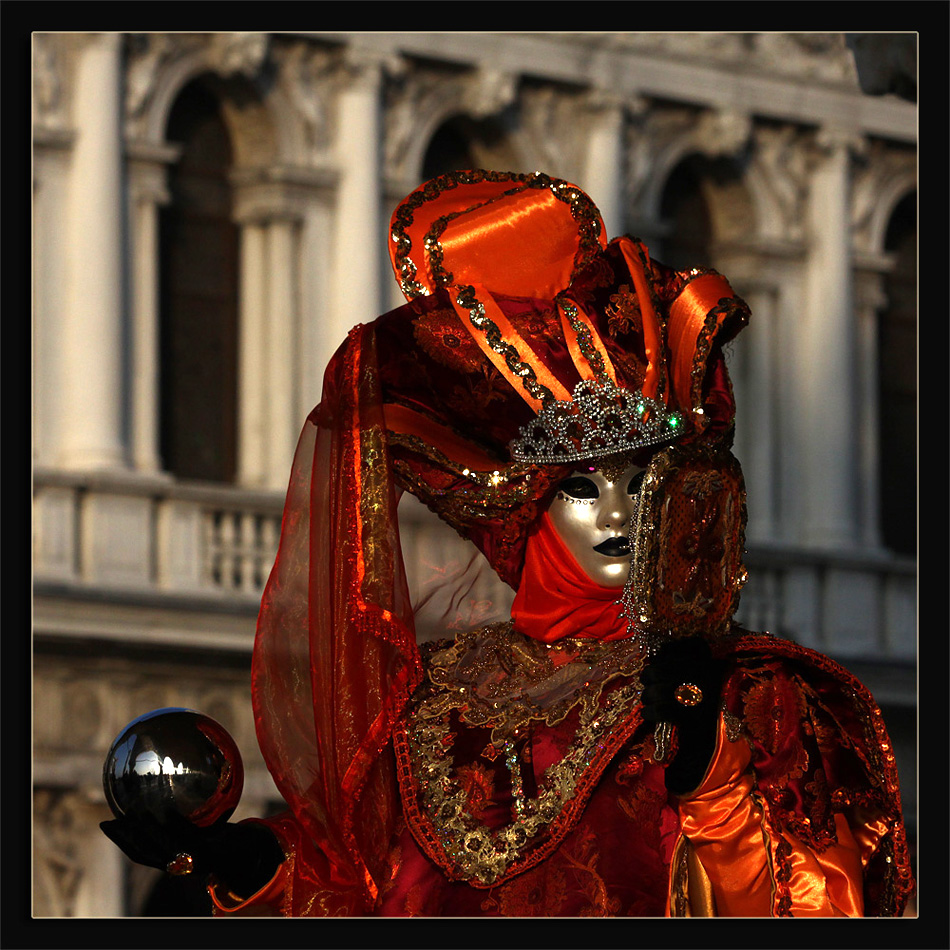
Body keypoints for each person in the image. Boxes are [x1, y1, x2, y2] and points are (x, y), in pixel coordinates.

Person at [102, 169, 914, 917]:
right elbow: (365, 890)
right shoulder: (432, 699)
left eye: (640, 485)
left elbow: (812, 904)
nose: (618, 516)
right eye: (582, 490)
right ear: (526, 511)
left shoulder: (751, 696)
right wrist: (244, 865)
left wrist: (709, 770)